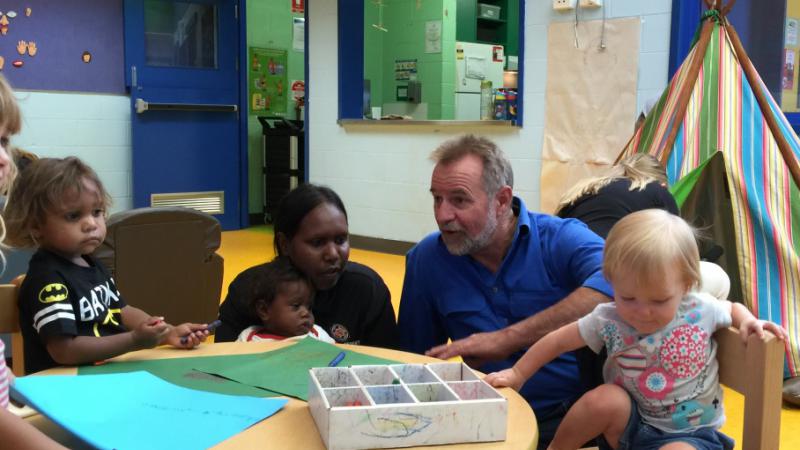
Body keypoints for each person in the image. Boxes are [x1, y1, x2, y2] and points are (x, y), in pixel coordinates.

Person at [485, 209, 787, 450]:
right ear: (611, 282)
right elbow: (556, 341)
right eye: (627, 297)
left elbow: (732, 308)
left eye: (659, 300)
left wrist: (748, 321)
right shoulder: (609, 317)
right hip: (630, 428)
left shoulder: (699, 308)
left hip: (691, 436)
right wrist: (518, 373)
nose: (642, 312)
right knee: (603, 398)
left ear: (685, 285)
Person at [397, 134, 613, 448]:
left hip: (571, 421)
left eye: (459, 200)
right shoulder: (426, 261)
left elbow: (616, 281)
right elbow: (414, 361)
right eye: (436, 198)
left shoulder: (558, 239)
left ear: (501, 200)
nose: (442, 215)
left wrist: (506, 339)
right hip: (478, 423)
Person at [3, 157, 211, 374]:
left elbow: (121, 310)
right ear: (36, 226)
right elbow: (64, 351)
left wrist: (167, 333)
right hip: (65, 383)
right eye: (73, 216)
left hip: (106, 374)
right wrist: (134, 340)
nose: (91, 224)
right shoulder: (47, 279)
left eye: (97, 212)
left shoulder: (91, 262)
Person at [217, 184, 399, 348]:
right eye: (318, 242)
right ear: (285, 244)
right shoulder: (249, 289)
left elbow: (388, 363)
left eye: (340, 240)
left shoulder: (367, 290)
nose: (333, 254)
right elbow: (219, 364)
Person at [555, 153, 678, 239]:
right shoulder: (656, 191)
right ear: (663, 185)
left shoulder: (585, 188)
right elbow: (678, 245)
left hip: (561, 256)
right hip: (605, 260)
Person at [236, 256, 334, 343]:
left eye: (309, 307)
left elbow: (338, 355)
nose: (306, 313)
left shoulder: (317, 334)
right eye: (296, 306)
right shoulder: (249, 338)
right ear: (264, 310)